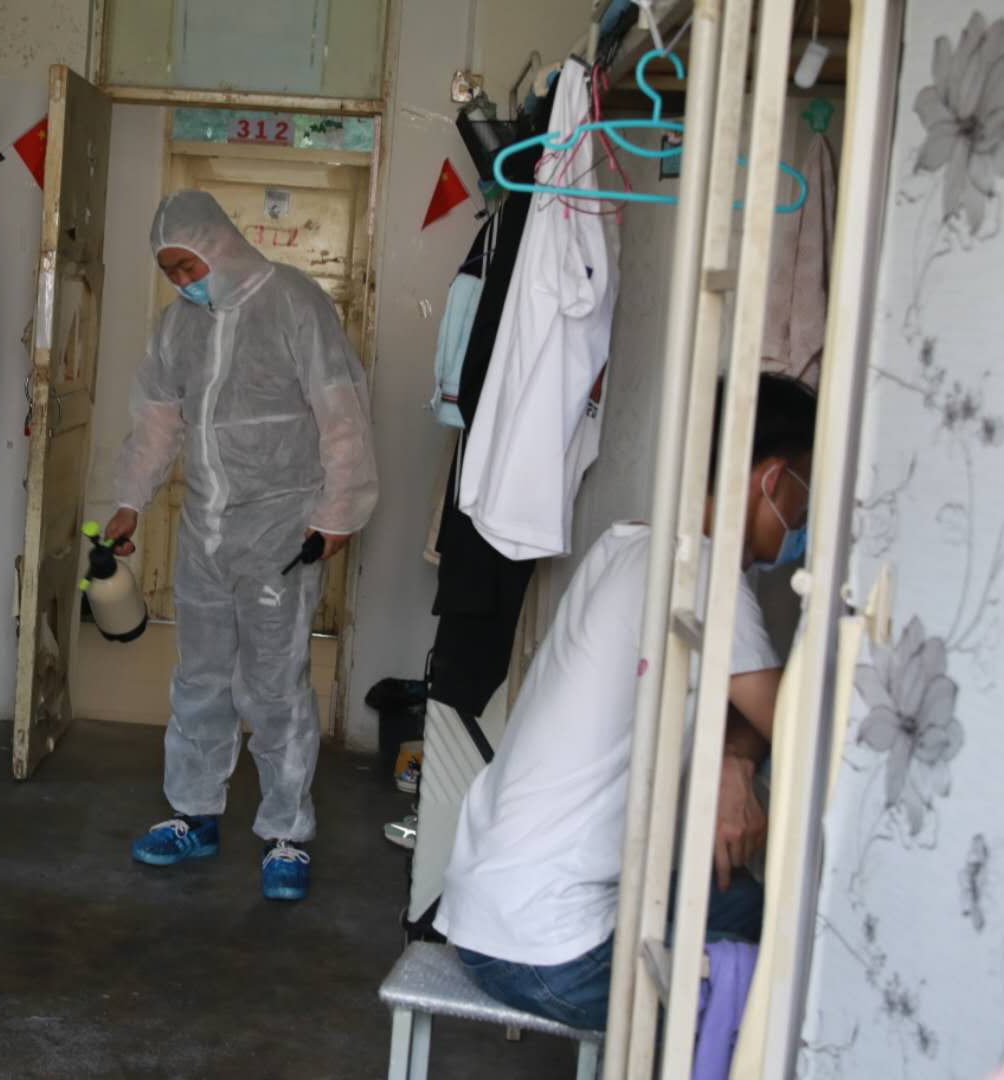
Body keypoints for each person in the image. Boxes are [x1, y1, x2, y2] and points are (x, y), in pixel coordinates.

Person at [434, 373, 816, 1028]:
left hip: (490, 912)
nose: (806, 520)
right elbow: (805, 736)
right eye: (807, 494)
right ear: (774, 479)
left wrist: (736, 760)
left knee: (742, 903)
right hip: (552, 951)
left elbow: (759, 713)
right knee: (782, 980)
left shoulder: (632, 543)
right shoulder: (703, 572)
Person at [105, 190, 378, 902]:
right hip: (205, 529)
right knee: (199, 676)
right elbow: (156, 422)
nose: (181, 282)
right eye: (169, 272)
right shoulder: (177, 326)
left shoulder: (293, 302)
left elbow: (341, 412)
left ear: (219, 246)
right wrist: (129, 501)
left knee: (275, 683)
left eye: (188, 266)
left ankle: (286, 832)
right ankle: (193, 814)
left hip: (281, 529)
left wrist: (338, 512)